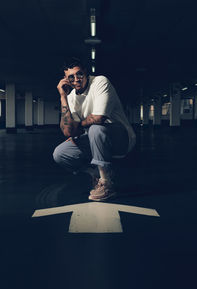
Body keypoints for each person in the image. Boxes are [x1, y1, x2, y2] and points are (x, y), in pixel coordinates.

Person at [53, 57, 136, 201]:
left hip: (121, 138)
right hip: (94, 139)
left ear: (86, 72)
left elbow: (99, 118)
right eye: (71, 77)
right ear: (65, 80)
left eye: (79, 74)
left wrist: (76, 128)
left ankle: (106, 184)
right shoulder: (71, 97)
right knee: (60, 153)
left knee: (95, 128)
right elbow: (67, 131)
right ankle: (94, 173)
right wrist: (63, 97)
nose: (76, 79)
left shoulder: (99, 81)